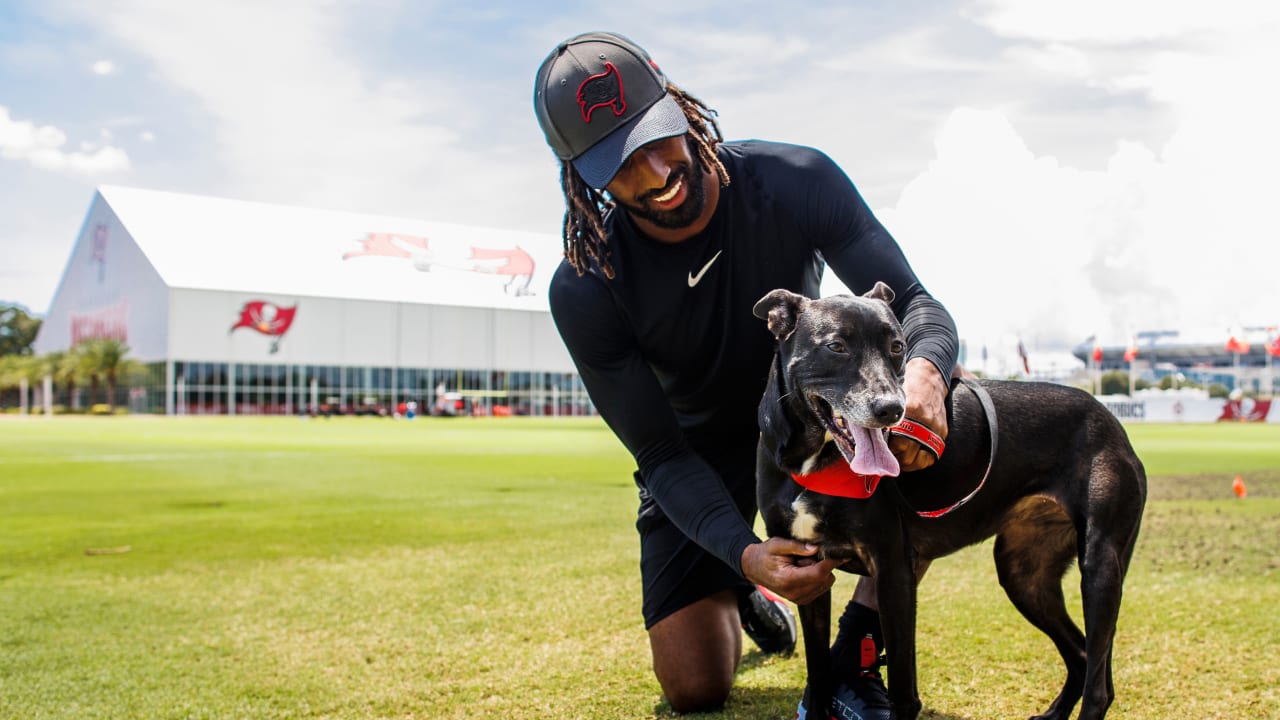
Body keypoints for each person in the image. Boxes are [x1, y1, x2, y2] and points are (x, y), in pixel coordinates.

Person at [533, 32, 959, 718]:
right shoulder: (587, 284)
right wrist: (744, 553)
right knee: (694, 688)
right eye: (618, 163)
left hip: (813, 425)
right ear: (582, 176)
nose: (652, 172)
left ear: (680, 108)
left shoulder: (794, 179)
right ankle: (746, 588)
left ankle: (857, 647)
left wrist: (929, 372)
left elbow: (917, 305)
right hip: (698, 454)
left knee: (936, 412)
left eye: (656, 137)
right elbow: (661, 455)